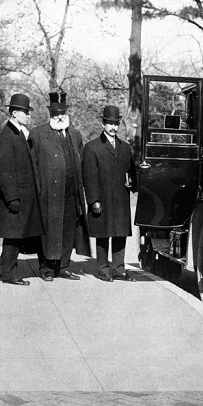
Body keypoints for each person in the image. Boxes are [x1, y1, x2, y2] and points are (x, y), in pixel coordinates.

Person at [31, 90, 90, 281]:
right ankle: (47, 268)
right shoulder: (38, 134)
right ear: (50, 114)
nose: (59, 116)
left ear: (67, 113)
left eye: (62, 113)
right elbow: (33, 165)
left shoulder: (75, 134)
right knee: (49, 230)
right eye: (55, 113)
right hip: (49, 193)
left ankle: (63, 266)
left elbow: (80, 162)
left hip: (71, 192)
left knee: (68, 229)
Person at [0, 94, 45, 286]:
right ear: (15, 113)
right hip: (16, 197)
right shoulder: (7, 136)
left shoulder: (21, 133)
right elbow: (5, 170)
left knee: (17, 235)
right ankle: (9, 273)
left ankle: (4, 269)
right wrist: (12, 198)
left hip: (25, 196)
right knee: (13, 236)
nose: (28, 116)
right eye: (25, 112)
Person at [82, 105, 138, 282]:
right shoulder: (92, 147)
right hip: (102, 199)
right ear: (103, 123)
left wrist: (133, 184)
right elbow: (89, 177)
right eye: (110, 124)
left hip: (121, 198)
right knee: (103, 234)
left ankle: (119, 268)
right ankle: (103, 268)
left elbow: (131, 172)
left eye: (116, 124)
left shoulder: (125, 147)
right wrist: (93, 201)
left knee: (120, 233)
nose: (113, 127)